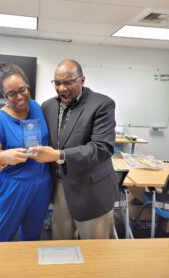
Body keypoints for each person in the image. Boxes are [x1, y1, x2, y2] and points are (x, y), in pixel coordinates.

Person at [30, 59, 119, 240]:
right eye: (57, 82)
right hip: (61, 188)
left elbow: (102, 148)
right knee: (61, 245)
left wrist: (59, 155)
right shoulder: (48, 106)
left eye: (68, 82)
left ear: (82, 80)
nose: (62, 88)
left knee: (95, 251)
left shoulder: (102, 104)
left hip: (91, 192)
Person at [0, 61, 52, 242]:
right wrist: (2, 158)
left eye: (23, 89)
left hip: (41, 186)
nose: (20, 97)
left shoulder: (36, 108)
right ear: (3, 94)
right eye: (12, 93)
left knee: (31, 239)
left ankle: (25, 271)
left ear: (28, 85)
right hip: (11, 189)